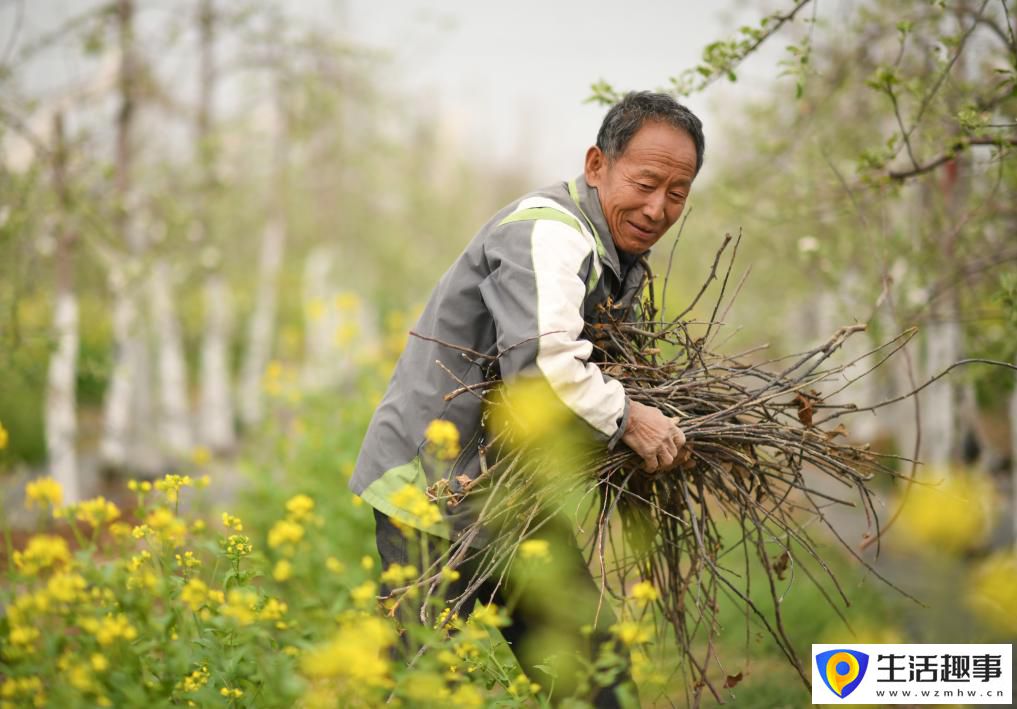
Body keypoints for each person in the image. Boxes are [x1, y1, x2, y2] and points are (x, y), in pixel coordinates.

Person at [349, 91, 704, 706]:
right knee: (420, 681)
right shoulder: (547, 234)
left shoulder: (616, 254)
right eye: (646, 183)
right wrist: (629, 418)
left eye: (677, 193)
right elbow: (543, 366)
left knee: (594, 672)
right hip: (432, 489)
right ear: (597, 166)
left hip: (511, 494)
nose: (657, 208)